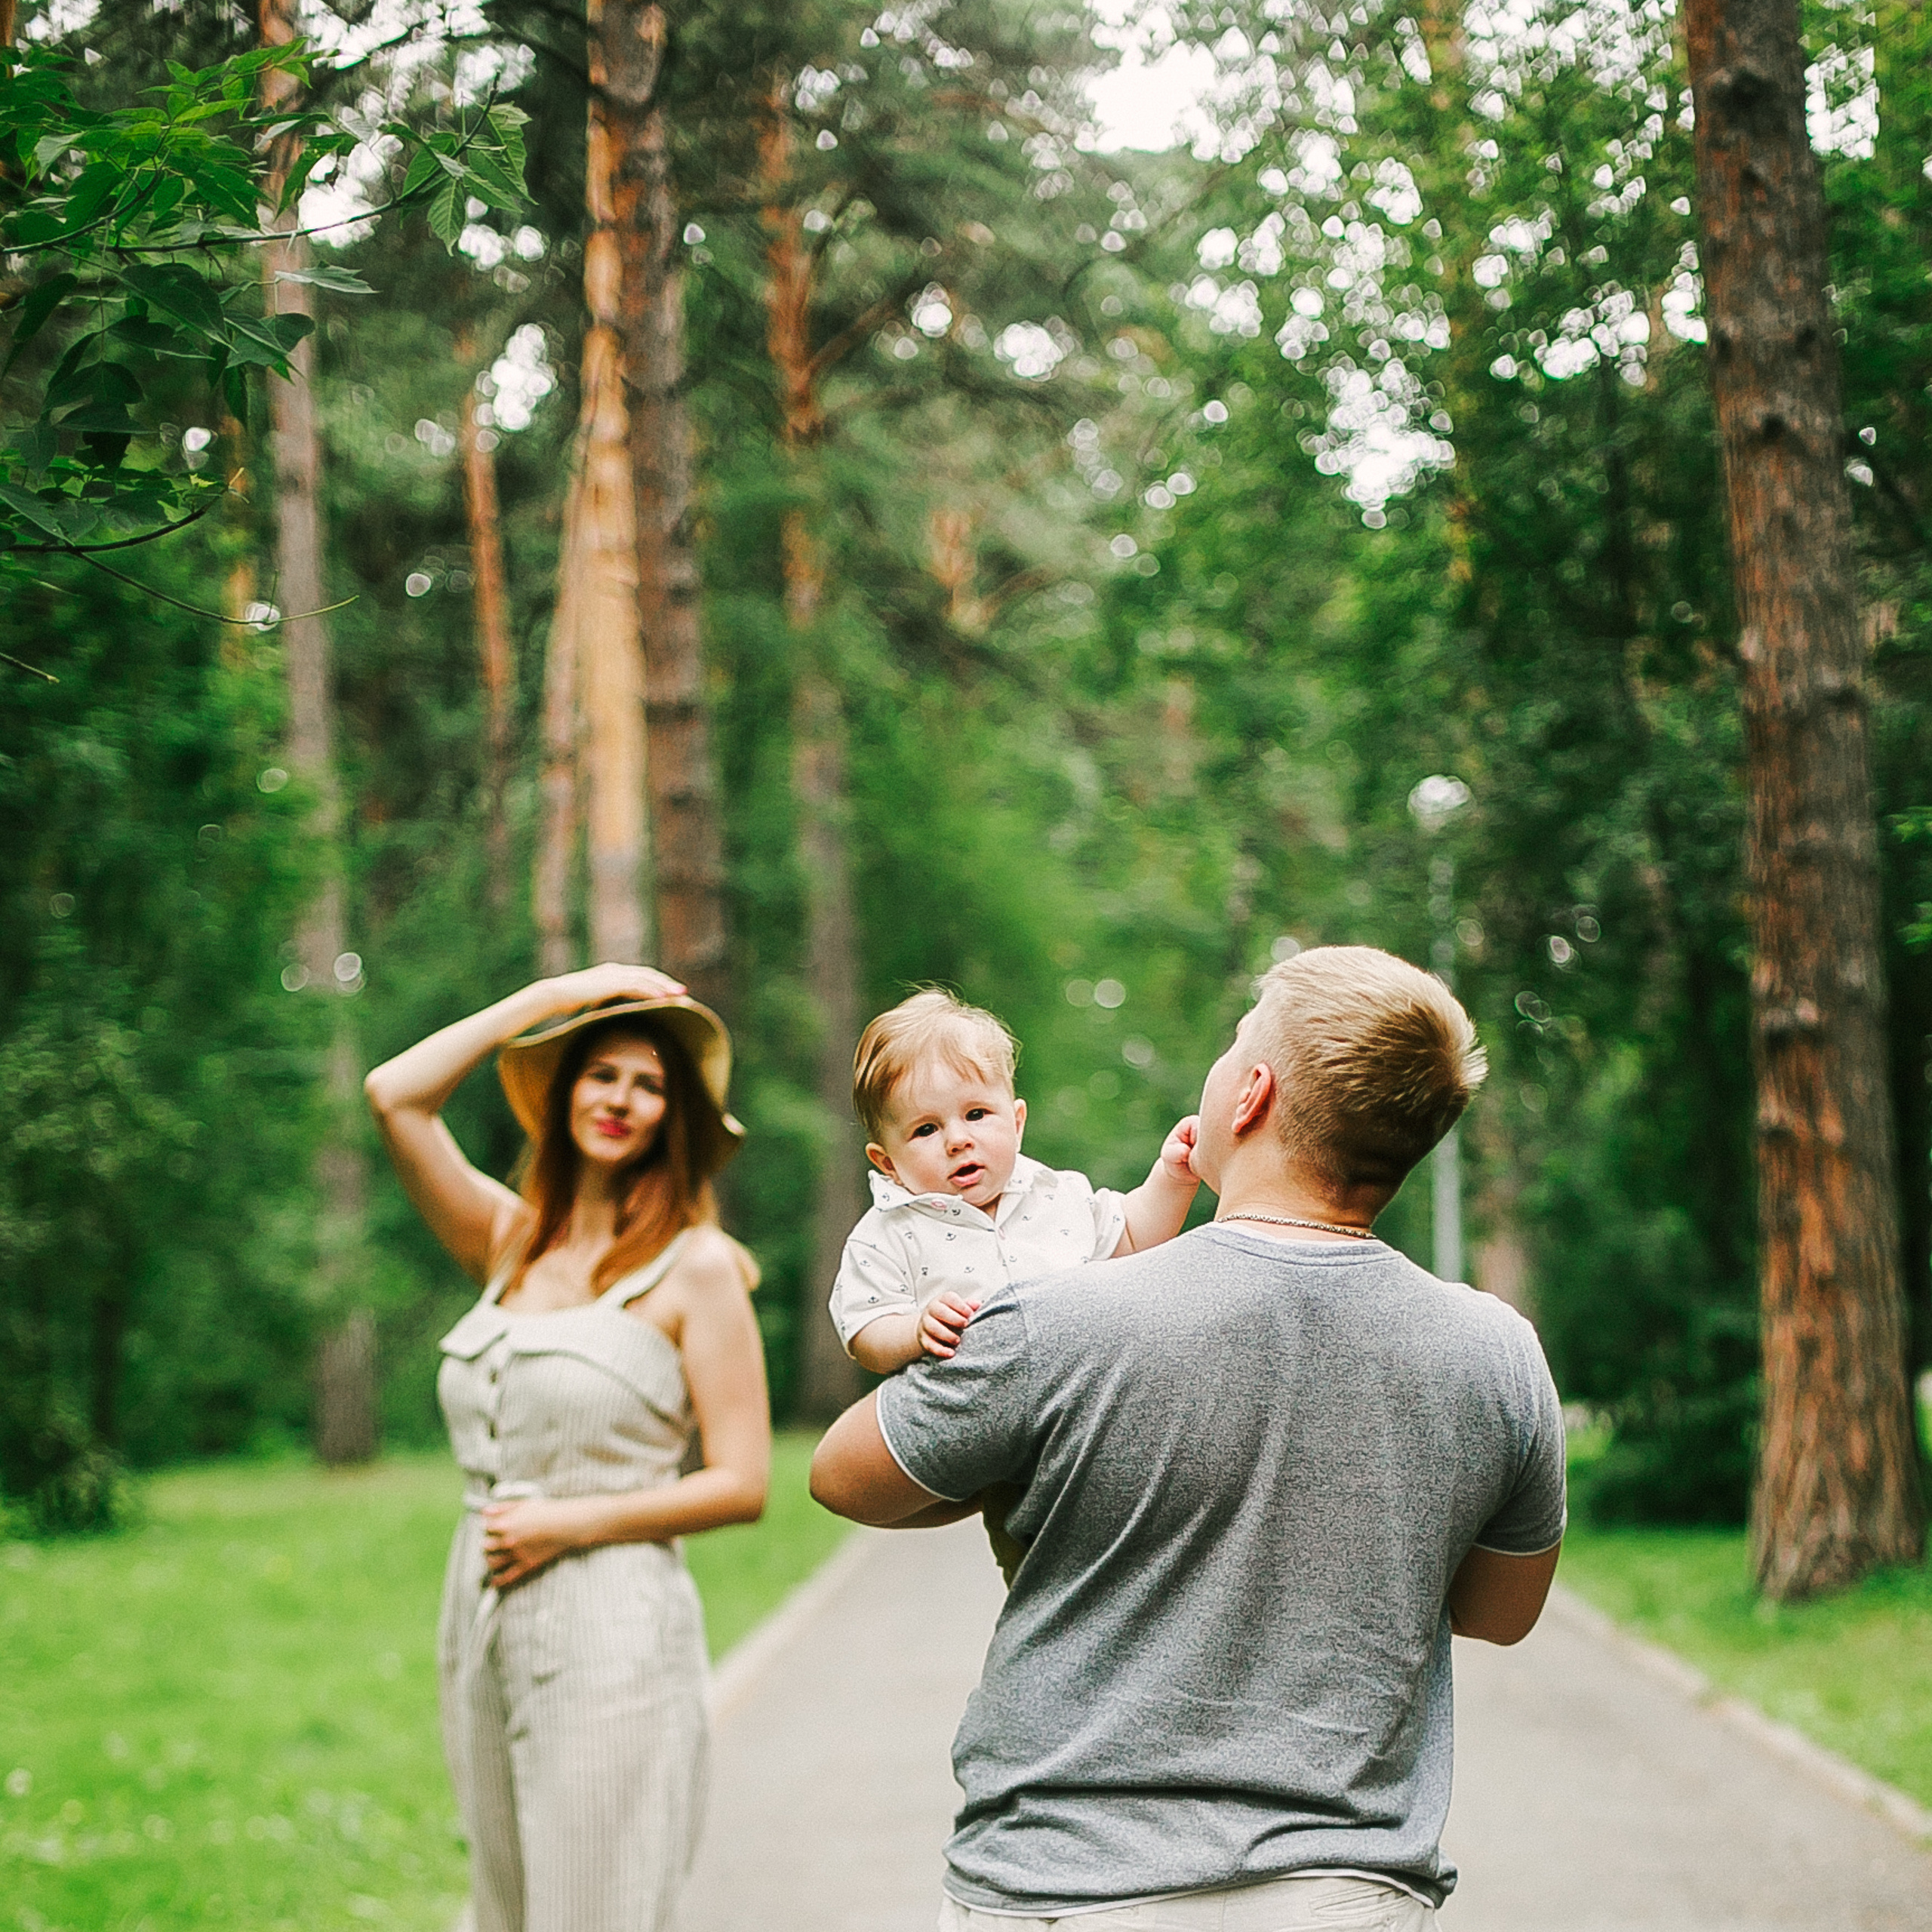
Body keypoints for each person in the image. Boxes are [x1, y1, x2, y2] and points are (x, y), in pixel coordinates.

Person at [811, 946, 1566, 1931]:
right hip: (1345, 1892)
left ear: (1250, 1093)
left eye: (1235, 1039)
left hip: (1066, 1886)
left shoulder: (1054, 1319)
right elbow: (1499, 1613)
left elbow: (844, 1477)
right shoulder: (1498, 1354)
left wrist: (1021, 1460)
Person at [364, 963, 770, 1932]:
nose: (622, 1100)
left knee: (595, 1908)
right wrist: (560, 996)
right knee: (501, 1910)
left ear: (675, 1116)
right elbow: (394, 1095)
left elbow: (744, 1481)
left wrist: (569, 1523)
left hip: (610, 1625)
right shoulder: (510, 1243)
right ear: (565, 1090)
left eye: (649, 1084)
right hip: (480, 1617)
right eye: (601, 1073)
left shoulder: (696, 1268)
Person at [831, 988, 1201, 1375]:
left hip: (1076, 1400)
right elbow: (864, 1329)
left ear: (1016, 1122)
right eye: (926, 1129)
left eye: (976, 1113)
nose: (958, 1140)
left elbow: (1133, 1236)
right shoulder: (887, 1233)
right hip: (972, 1415)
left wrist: (1173, 1178)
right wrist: (914, 1329)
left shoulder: (1058, 1194)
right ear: (887, 1162)